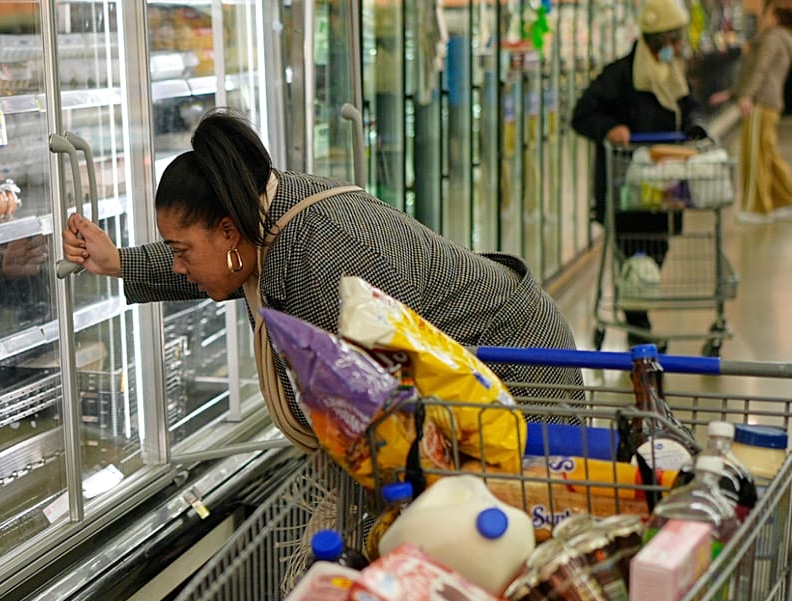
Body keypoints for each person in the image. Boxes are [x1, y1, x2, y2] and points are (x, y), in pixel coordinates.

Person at [62, 110, 581, 448]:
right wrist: (119, 262)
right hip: (470, 383)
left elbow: (383, 418)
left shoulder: (329, 258)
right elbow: (213, 267)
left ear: (227, 230)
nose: (177, 265)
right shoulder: (260, 221)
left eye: (180, 251)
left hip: (520, 373)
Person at [570, 0, 703, 343]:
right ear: (657, 40)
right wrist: (611, 128)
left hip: (665, 190)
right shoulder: (619, 76)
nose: (678, 48)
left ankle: (638, 321)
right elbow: (581, 115)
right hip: (625, 190)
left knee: (655, 252)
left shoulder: (673, 76)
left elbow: (690, 110)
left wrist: (695, 129)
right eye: (674, 40)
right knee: (632, 257)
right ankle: (639, 331)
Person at [734, 3, 792, 223]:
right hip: (771, 102)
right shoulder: (785, 39)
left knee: (755, 155)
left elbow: (760, 69)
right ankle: (787, 199)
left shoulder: (771, 39)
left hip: (760, 102)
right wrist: (733, 93)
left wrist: (746, 95)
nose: (761, 18)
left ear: (773, 16)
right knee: (768, 153)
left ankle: (757, 207)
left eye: (764, 14)